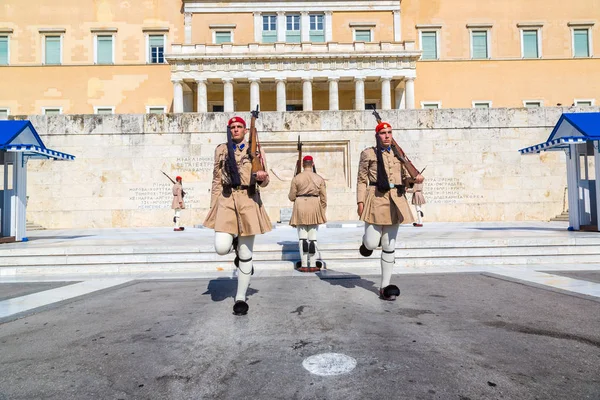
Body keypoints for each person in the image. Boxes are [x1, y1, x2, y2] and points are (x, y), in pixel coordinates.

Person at [203, 116, 272, 316]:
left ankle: (240, 297)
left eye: (239, 127)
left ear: (245, 130)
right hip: (226, 199)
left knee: (245, 254)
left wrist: (263, 178)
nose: (235, 130)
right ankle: (233, 242)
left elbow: (265, 182)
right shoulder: (221, 150)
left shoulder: (256, 150)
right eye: (232, 127)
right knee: (221, 247)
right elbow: (216, 179)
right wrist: (213, 205)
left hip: (248, 199)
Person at [356, 121, 424, 301]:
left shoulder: (399, 155)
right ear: (377, 135)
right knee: (371, 243)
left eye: (389, 132)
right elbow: (362, 180)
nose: (387, 136)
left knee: (389, 245)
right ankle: (365, 244)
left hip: (395, 199)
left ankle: (385, 286)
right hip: (376, 198)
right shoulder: (368, 154)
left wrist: (414, 180)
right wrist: (360, 201)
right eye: (383, 133)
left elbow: (404, 179)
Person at [288, 155, 327, 272]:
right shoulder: (319, 178)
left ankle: (304, 265)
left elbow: (291, 197)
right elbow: (324, 198)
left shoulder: (297, 178)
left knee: (302, 238)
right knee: (313, 238)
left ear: (303, 165)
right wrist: (321, 210)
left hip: (300, 205)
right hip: (314, 205)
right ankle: (313, 263)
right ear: (313, 164)